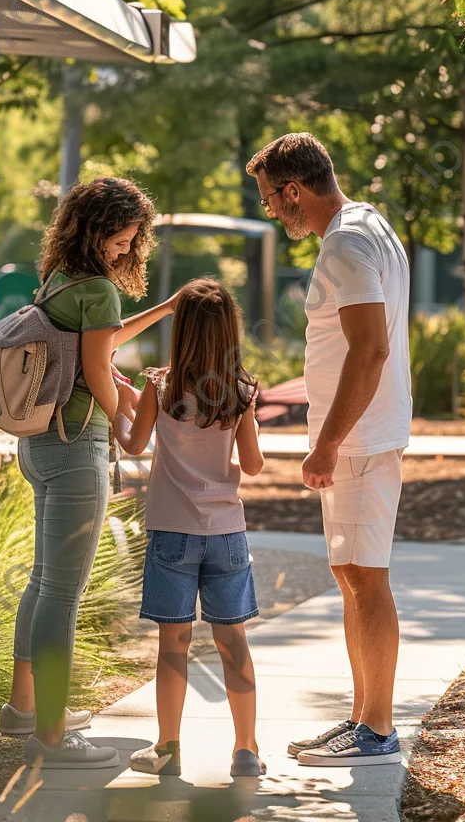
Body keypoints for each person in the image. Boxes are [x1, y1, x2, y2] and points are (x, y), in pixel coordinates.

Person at [1, 177, 179, 769]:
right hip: (78, 449)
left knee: (42, 580)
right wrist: (127, 431)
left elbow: (96, 347)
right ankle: (52, 736)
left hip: (40, 447)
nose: (127, 250)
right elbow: (101, 373)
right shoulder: (99, 289)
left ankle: (24, 708)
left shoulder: (62, 281)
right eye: (124, 239)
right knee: (63, 590)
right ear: (101, 228)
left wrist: (164, 308)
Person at [246, 132, 411, 767]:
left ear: (294, 191)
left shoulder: (344, 243)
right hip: (364, 437)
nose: (269, 210)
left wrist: (327, 443)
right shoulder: (366, 224)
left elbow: (371, 350)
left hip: (359, 442)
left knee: (365, 579)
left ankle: (376, 730)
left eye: (269, 199)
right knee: (351, 577)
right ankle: (363, 718)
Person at [113, 277, 266, 780]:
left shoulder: (160, 385)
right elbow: (254, 464)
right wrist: (248, 422)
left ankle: (168, 747)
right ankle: (246, 750)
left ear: (182, 331)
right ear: (229, 332)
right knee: (233, 641)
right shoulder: (241, 391)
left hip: (171, 532)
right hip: (226, 533)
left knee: (172, 645)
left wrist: (123, 407)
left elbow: (134, 446)